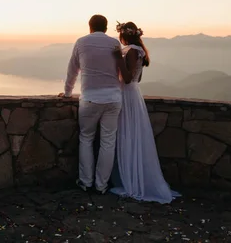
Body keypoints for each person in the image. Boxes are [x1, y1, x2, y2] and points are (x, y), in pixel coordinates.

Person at [109, 21, 180, 203]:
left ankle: (131, 181)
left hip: (126, 95)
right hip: (134, 94)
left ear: (124, 35)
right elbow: (137, 78)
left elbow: (127, 79)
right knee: (132, 133)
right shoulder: (139, 51)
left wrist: (118, 58)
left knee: (127, 133)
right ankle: (132, 175)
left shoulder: (131, 50)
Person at [59, 14, 126, 194]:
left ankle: (86, 181)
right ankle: (101, 185)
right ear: (105, 28)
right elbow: (120, 70)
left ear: (89, 26)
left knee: (86, 139)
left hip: (89, 98)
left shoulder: (81, 42)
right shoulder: (114, 43)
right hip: (113, 99)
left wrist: (67, 93)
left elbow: (72, 69)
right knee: (108, 142)